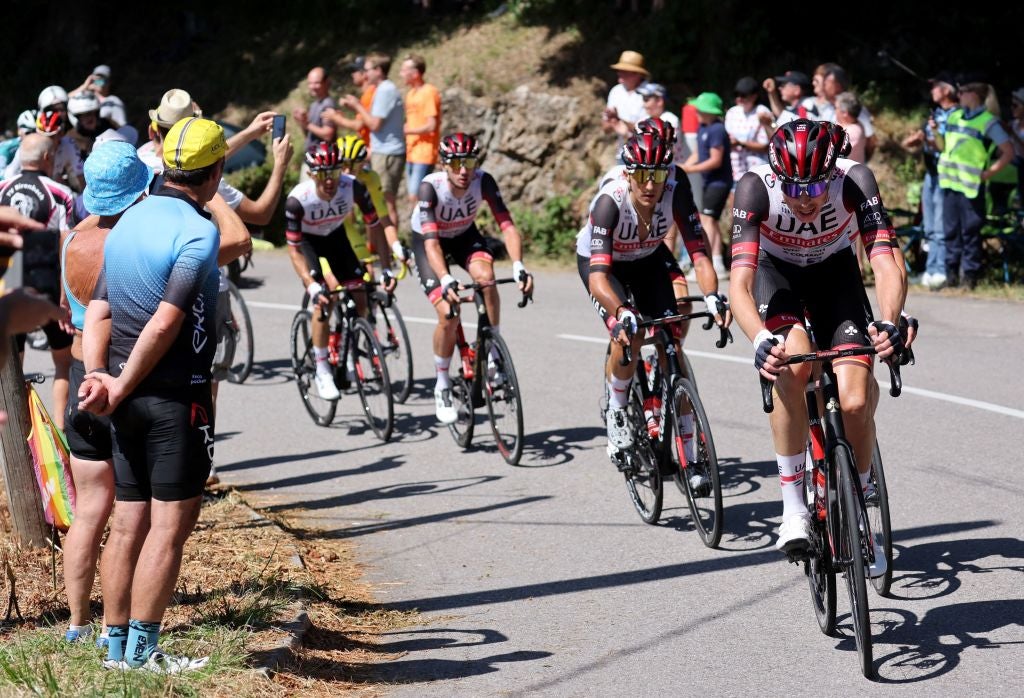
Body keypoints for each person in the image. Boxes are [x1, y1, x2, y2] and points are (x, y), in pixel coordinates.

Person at [77, 117, 231, 672]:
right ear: (216, 170)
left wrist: (100, 375)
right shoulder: (199, 231)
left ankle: (112, 646)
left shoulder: (128, 220)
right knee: (166, 529)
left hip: (120, 394)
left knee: (127, 521)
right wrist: (122, 382)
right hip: (173, 395)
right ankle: (143, 651)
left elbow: (98, 309)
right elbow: (166, 322)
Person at [728, 119, 905, 566]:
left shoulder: (855, 180)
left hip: (835, 274)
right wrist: (760, 339)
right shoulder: (754, 189)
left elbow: (885, 262)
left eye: (814, 189)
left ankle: (860, 494)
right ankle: (792, 509)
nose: (804, 201)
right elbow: (740, 283)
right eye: (793, 188)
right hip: (777, 275)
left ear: (831, 175)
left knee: (854, 398)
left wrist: (889, 321)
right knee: (792, 365)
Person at [576, 133, 727, 463]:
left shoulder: (674, 194)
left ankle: (689, 449)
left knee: (670, 336)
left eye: (657, 175)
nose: (649, 184)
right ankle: (617, 410)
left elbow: (699, 256)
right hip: (605, 266)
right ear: (628, 173)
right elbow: (599, 278)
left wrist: (713, 294)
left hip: (646, 258)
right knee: (630, 333)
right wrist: (620, 310)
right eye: (642, 174)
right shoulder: (609, 202)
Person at [60, 141, 153, 645]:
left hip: (80, 377)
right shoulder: (138, 240)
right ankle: (116, 630)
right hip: (122, 380)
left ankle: (76, 623)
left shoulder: (73, 235)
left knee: (90, 509)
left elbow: (66, 306)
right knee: (132, 512)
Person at [410, 133, 533, 424]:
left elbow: (508, 226)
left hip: (465, 235)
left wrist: (518, 265)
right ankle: (441, 383)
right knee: (448, 313)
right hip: (431, 242)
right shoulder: (431, 188)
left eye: (469, 162)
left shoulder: (483, 180)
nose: (464, 170)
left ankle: (492, 350)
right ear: (443, 164)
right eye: (456, 163)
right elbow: (431, 245)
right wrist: (445, 278)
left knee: (487, 277)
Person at [285, 142, 396, 402]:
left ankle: (348, 351)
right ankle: (322, 369)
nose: (330, 180)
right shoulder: (297, 200)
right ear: (312, 174)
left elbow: (376, 227)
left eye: (334, 172)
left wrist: (387, 267)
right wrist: (311, 285)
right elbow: (293, 250)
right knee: (325, 299)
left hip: (336, 237)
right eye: (323, 174)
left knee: (360, 294)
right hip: (308, 243)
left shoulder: (353, 186)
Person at [0, 133, 75, 428]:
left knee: (11, 365)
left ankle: (20, 431)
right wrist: (64, 298)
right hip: (47, 286)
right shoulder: (60, 193)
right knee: (62, 363)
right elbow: (66, 246)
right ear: (47, 158)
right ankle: (59, 433)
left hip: (8, 286)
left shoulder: (3, 188)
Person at [935, 81, 1015, 289]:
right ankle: (951, 275)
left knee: (970, 232)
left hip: (971, 186)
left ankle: (969, 277)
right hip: (949, 182)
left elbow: (1008, 151)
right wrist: (934, 133)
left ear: (974, 96)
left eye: (962, 92)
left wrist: (989, 173)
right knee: (950, 230)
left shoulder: (988, 122)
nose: (958, 95)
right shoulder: (954, 116)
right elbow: (944, 146)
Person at [900, 73, 960, 288]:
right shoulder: (934, 114)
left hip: (947, 175)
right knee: (930, 226)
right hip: (931, 174)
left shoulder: (957, 115)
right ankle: (931, 269)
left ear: (946, 90)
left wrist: (931, 140)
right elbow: (911, 143)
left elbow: (947, 146)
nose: (932, 91)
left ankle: (941, 270)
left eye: (936, 87)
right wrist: (915, 140)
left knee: (941, 225)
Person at [341, 53, 406, 230]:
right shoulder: (383, 89)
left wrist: (356, 106)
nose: (365, 74)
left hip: (387, 153)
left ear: (378, 70)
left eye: (367, 70)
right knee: (380, 202)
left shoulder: (385, 90)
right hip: (383, 151)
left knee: (385, 202)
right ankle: (384, 246)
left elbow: (374, 125)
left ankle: (393, 249)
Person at [337, 134, 407, 270]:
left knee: (368, 274)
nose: (346, 171)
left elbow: (383, 220)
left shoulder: (370, 179)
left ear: (363, 164)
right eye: (343, 165)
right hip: (325, 231)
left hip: (347, 228)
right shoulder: (330, 180)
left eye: (353, 166)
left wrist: (396, 250)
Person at [682, 92, 731, 277]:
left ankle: (709, 264)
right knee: (711, 221)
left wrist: (690, 170)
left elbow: (715, 160)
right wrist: (686, 166)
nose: (697, 112)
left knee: (707, 220)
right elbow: (698, 153)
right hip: (708, 181)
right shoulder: (703, 127)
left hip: (718, 182)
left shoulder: (717, 129)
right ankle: (717, 263)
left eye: (700, 109)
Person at [5, 87, 83, 192]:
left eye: (52, 136)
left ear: (60, 134)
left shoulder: (69, 143)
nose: (47, 140)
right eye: (43, 136)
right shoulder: (29, 144)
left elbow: (80, 176)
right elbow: (9, 175)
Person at [401, 54, 442, 205]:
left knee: (417, 196)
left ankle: (425, 226)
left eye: (404, 70)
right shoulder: (410, 94)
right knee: (414, 197)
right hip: (411, 152)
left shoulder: (429, 92)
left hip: (424, 153)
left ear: (416, 73)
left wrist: (408, 131)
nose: (401, 74)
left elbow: (431, 125)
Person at [725, 76, 772, 184]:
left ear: (754, 96)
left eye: (743, 95)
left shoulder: (762, 112)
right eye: (736, 95)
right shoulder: (732, 112)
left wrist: (740, 143)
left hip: (757, 171)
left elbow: (765, 146)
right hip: (736, 170)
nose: (739, 98)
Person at [323, 56, 376, 148]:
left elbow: (358, 125)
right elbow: (364, 119)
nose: (352, 75)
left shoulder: (369, 95)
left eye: (355, 71)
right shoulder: (367, 95)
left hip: (373, 149)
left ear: (364, 74)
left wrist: (336, 118)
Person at [602, 51, 651, 150]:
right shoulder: (616, 91)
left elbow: (648, 130)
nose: (620, 73)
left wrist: (620, 120)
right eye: (619, 70)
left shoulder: (650, 94)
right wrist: (612, 121)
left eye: (625, 71)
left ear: (638, 74)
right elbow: (605, 128)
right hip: (623, 152)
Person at [293, 67, 337, 155]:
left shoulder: (328, 105)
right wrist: (302, 121)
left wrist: (307, 124)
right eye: (310, 83)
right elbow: (308, 134)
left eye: (317, 83)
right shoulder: (314, 104)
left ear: (326, 82)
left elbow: (328, 135)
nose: (312, 87)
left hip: (323, 159)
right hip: (312, 155)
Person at [67, 91, 115, 162]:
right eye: (83, 114)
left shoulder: (107, 125)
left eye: (92, 113)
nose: (89, 118)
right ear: (76, 117)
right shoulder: (70, 139)